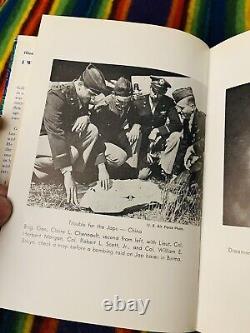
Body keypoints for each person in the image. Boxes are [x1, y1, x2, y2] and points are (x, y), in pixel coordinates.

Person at [34, 64, 110, 205]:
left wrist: (86, 116)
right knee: (73, 153)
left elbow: (80, 116)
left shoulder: (81, 94)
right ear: (80, 85)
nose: (93, 99)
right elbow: (55, 132)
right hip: (39, 139)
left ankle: (77, 177)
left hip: (59, 138)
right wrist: (67, 172)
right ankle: (38, 172)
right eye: (91, 94)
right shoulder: (57, 94)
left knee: (92, 130)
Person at [91, 77, 142, 179]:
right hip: (100, 143)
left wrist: (136, 125)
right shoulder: (102, 107)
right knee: (120, 157)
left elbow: (136, 116)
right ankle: (101, 172)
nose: (123, 105)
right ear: (113, 95)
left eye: (126, 102)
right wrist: (101, 165)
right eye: (120, 102)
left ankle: (129, 170)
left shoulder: (129, 103)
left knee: (137, 133)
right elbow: (95, 137)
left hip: (115, 137)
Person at [133, 76, 175, 179]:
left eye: (160, 93)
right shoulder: (139, 102)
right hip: (143, 143)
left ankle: (164, 169)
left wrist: (158, 130)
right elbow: (133, 123)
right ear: (150, 87)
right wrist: (144, 153)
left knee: (176, 137)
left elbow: (176, 124)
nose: (156, 95)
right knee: (142, 176)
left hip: (158, 141)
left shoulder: (168, 102)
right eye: (154, 91)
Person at [160, 87, 206, 181]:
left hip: (200, 159)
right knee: (178, 181)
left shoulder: (203, 120)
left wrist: (192, 148)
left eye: (182, 108)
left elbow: (207, 143)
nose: (178, 111)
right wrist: (175, 173)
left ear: (192, 107)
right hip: (190, 160)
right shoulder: (187, 121)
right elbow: (183, 146)